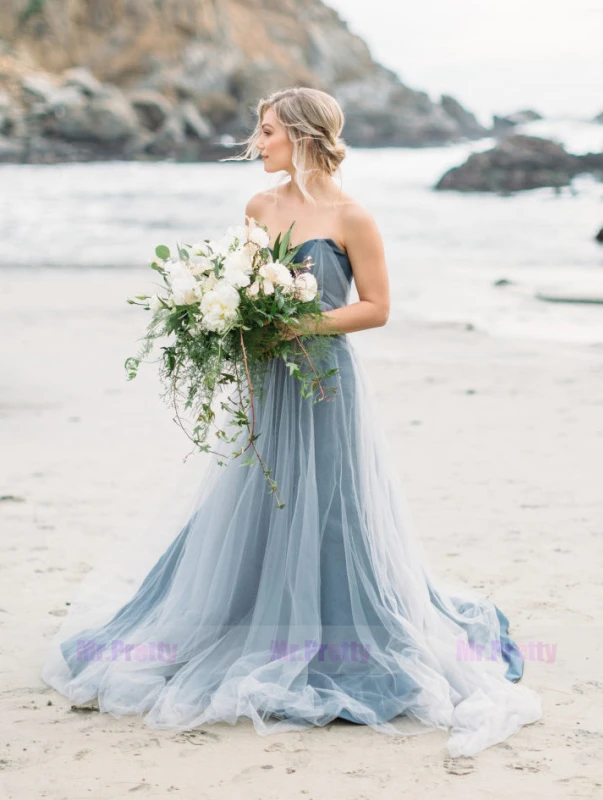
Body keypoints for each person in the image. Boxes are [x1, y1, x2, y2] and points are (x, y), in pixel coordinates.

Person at [40, 87, 542, 757]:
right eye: (258, 131)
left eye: (268, 131)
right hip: (272, 377)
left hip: (326, 378)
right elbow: (245, 286)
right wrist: (233, 324)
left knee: (331, 502)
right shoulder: (259, 206)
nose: (257, 143)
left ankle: (337, 631)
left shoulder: (352, 217)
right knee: (256, 494)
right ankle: (244, 616)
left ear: (303, 137)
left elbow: (376, 307)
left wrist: (298, 322)